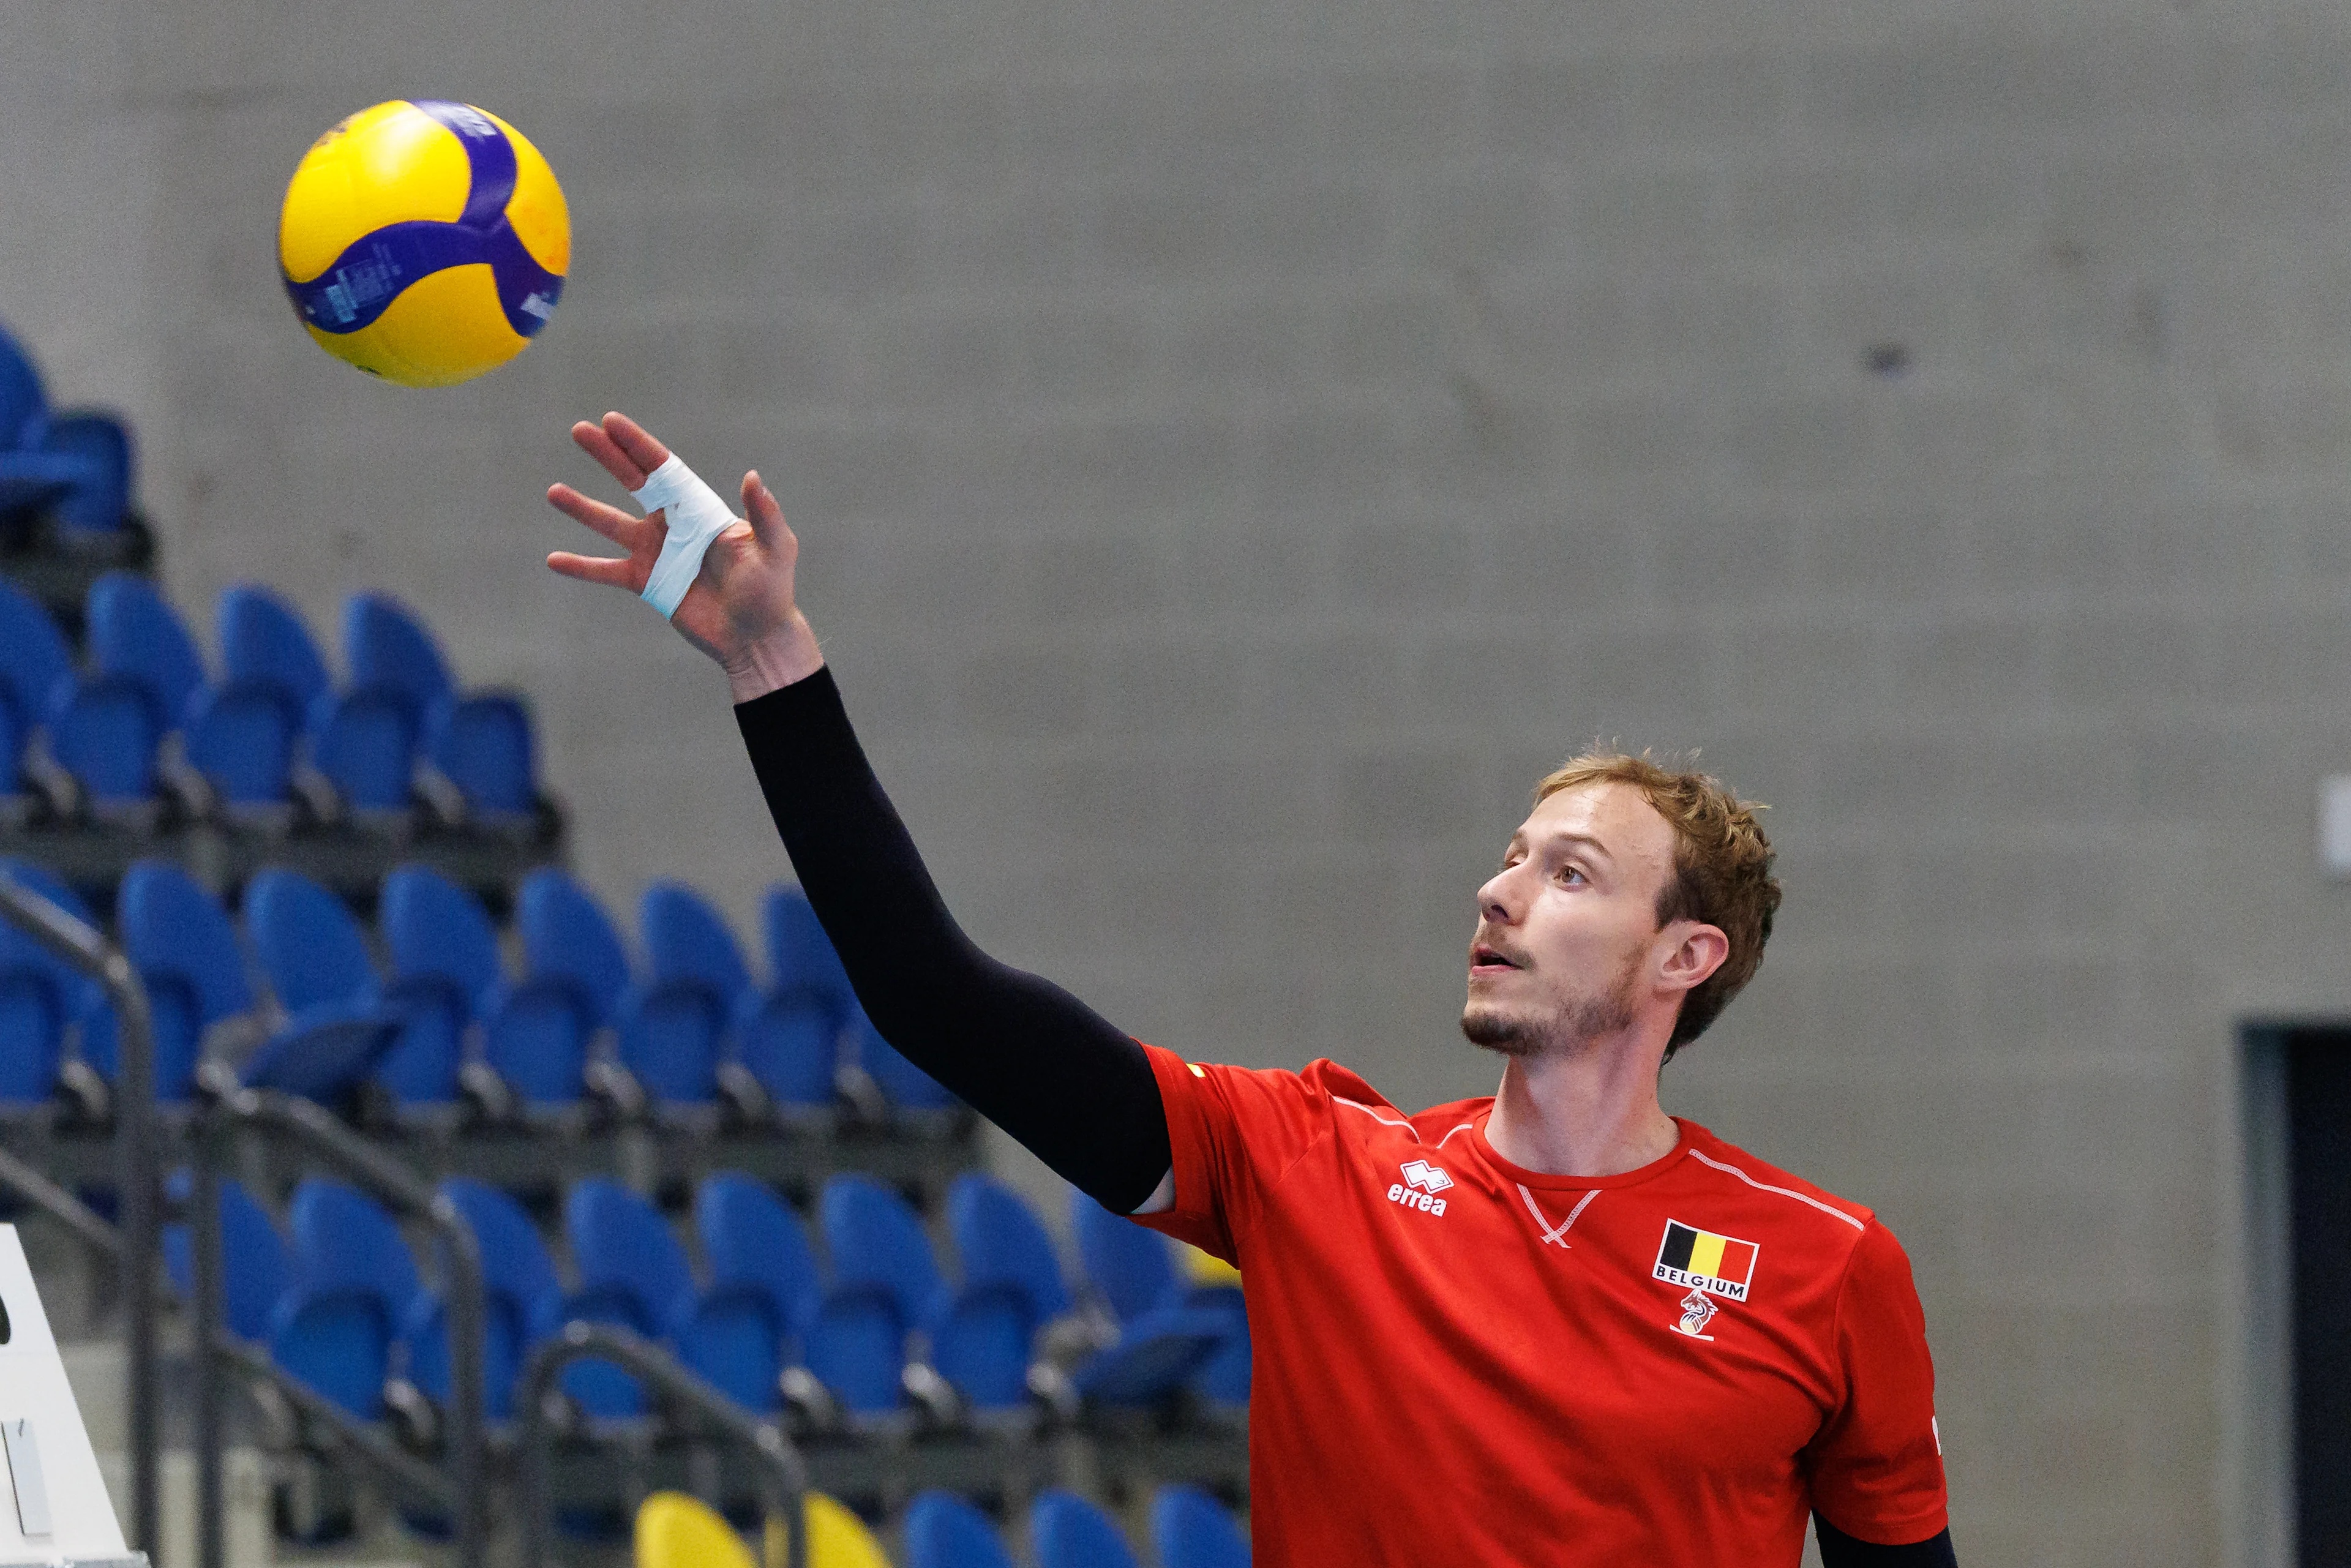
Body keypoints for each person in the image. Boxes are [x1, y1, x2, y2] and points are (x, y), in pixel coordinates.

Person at [547, 412, 1957, 1567]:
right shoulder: (1313, 1165)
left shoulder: (1827, 1265)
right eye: (1511, 857)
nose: (1501, 890)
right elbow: (934, 998)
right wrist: (767, 659)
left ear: (1684, 956)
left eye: (1573, 873)